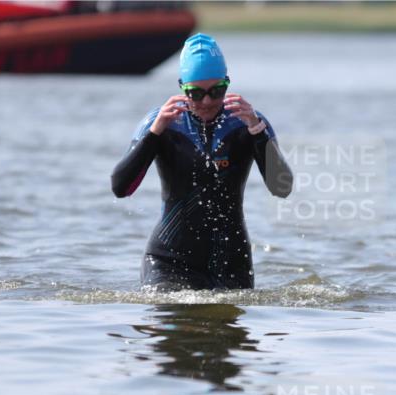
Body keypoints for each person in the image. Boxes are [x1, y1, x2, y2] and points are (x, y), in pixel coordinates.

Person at [111, 33, 292, 290]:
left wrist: (257, 132)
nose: (207, 102)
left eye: (217, 91)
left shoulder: (248, 123)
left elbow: (282, 188)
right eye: (195, 93)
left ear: (227, 84)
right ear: (181, 86)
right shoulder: (161, 124)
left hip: (231, 264)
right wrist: (154, 135)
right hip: (168, 263)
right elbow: (121, 188)